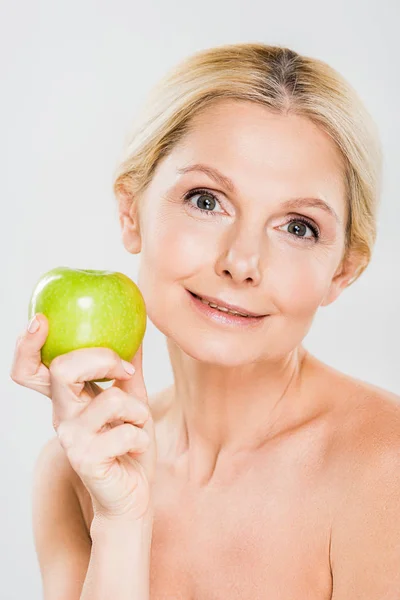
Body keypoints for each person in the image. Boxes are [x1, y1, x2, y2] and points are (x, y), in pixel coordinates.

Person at [10, 42, 400, 599]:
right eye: (206, 199)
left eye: (297, 227)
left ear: (344, 271)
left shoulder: (386, 471)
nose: (241, 264)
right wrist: (123, 522)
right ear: (131, 210)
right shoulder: (74, 471)